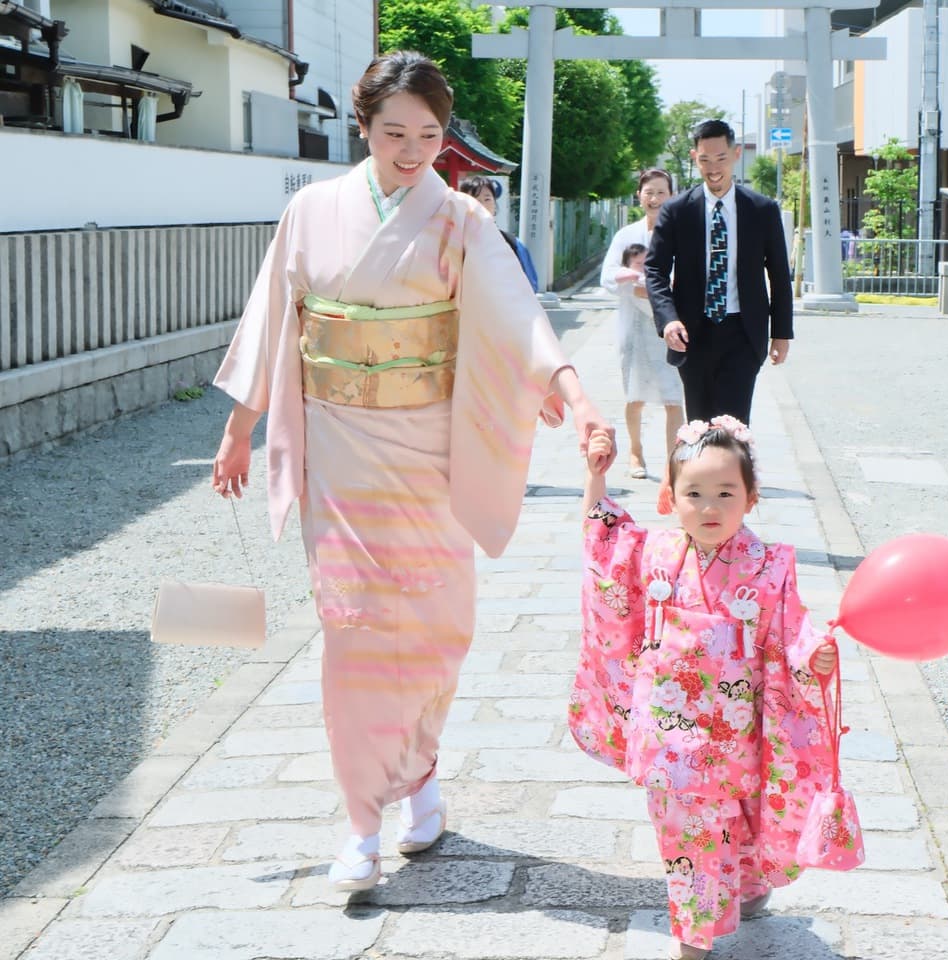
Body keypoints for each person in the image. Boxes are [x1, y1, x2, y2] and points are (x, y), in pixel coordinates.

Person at [209, 51, 613, 893]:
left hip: (430, 451)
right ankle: (361, 822)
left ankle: (420, 778)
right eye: (394, 133)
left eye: (429, 136)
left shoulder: (459, 220)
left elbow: (516, 315)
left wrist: (574, 396)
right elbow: (273, 321)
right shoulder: (311, 210)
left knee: (435, 628)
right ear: (361, 126)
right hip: (340, 449)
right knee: (353, 629)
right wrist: (239, 430)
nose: (412, 151)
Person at [573, 417, 841, 960]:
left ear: (751, 499)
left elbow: (792, 630)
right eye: (694, 493)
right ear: (669, 497)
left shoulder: (766, 567)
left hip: (733, 732)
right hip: (667, 736)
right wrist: (595, 478)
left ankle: (747, 882)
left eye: (725, 493)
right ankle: (694, 932)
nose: (709, 507)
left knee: (736, 819)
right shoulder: (656, 555)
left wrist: (812, 654)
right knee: (686, 831)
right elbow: (606, 547)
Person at [645, 119, 793, 427]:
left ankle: (734, 461)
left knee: (733, 428)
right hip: (692, 334)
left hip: (743, 333)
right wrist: (668, 319)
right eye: (705, 160)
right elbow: (655, 269)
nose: (713, 169)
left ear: (736, 154)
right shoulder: (677, 211)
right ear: (694, 157)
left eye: (721, 158)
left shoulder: (762, 210)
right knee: (699, 425)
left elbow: (779, 273)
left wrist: (781, 332)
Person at [600, 169, 684, 480]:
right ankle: (635, 451)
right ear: (639, 196)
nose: (655, 198)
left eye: (661, 192)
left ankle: (674, 460)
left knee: (674, 397)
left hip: (670, 324)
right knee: (634, 395)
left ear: (672, 196)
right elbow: (608, 275)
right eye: (649, 192)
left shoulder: (681, 233)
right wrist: (633, 284)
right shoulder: (626, 236)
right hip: (634, 323)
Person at [458, 174, 540, 292]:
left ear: (495, 204)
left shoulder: (512, 244)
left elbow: (530, 286)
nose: (482, 205)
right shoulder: (454, 242)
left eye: (487, 199)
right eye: (475, 199)